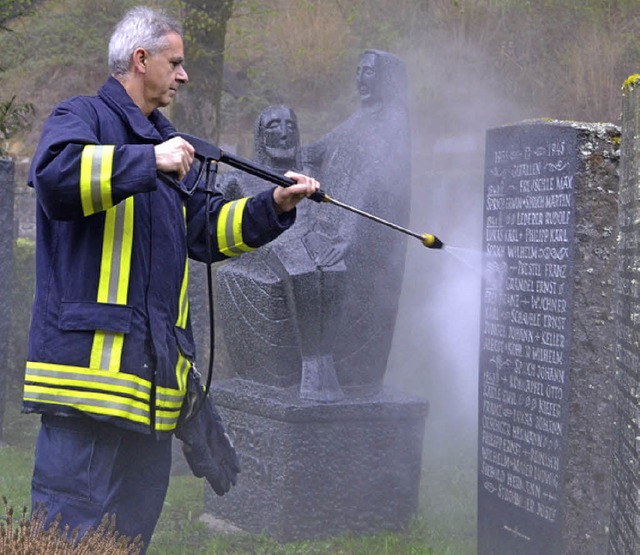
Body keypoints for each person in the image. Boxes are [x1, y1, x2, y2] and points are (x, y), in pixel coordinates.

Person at [22, 6, 319, 550]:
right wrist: (147, 159)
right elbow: (53, 176)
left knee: (126, 542)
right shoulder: (84, 115)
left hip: (152, 398)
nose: (184, 75)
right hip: (88, 394)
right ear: (141, 60)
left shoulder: (165, 147)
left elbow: (206, 233)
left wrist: (275, 204)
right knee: (62, 542)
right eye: (175, 63)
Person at [216, 105, 347, 401]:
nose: (284, 133)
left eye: (290, 125)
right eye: (274, 126)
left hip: (305, 236)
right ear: (261, 135)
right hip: (268, 243)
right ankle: (314, 364)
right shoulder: (242, 178)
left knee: (334, 268)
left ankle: (325, 360)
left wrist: (334, 240)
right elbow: (215, 213)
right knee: (299, 266)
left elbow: (323, 217)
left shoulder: (309, 175)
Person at [304, 49, 412, 391]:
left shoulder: (393, 119)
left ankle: (349, 384)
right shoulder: (362, 117)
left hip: (366, 244)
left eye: (369, 72)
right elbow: (315, 151)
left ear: (386, 78)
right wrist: (305, 179)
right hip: (332, 229)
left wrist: (349, 233)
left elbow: (374, 179)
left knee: (356, 326)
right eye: (358, 71)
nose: (361, 78)